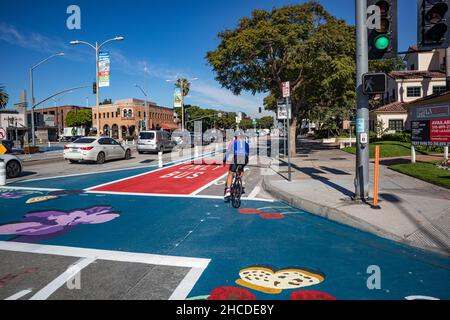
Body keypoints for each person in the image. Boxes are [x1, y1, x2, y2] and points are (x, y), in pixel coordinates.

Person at [223, 133, 250, 201]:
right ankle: (239, 179)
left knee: (231, 173)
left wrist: (224, 159)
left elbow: (228, 151)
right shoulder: (246, 143)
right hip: (245, 158)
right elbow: (247, 153)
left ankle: (228, 191)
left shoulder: (233, 141)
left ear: (235, 137)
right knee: (241, 168)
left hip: (237, 157)